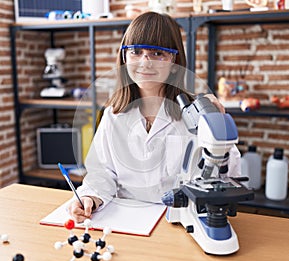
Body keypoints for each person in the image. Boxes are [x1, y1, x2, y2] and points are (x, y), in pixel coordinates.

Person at [69, 11, 241, 223]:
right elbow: (101, 173)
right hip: (125, 218)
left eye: (157, 53)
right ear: (124, 56)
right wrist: (89, 197)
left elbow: (226, 176)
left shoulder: (196, 114)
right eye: (136, 52)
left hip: (180, 219)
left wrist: (219, 130)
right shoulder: (113, 114)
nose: (145, 62)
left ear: (174, 59)